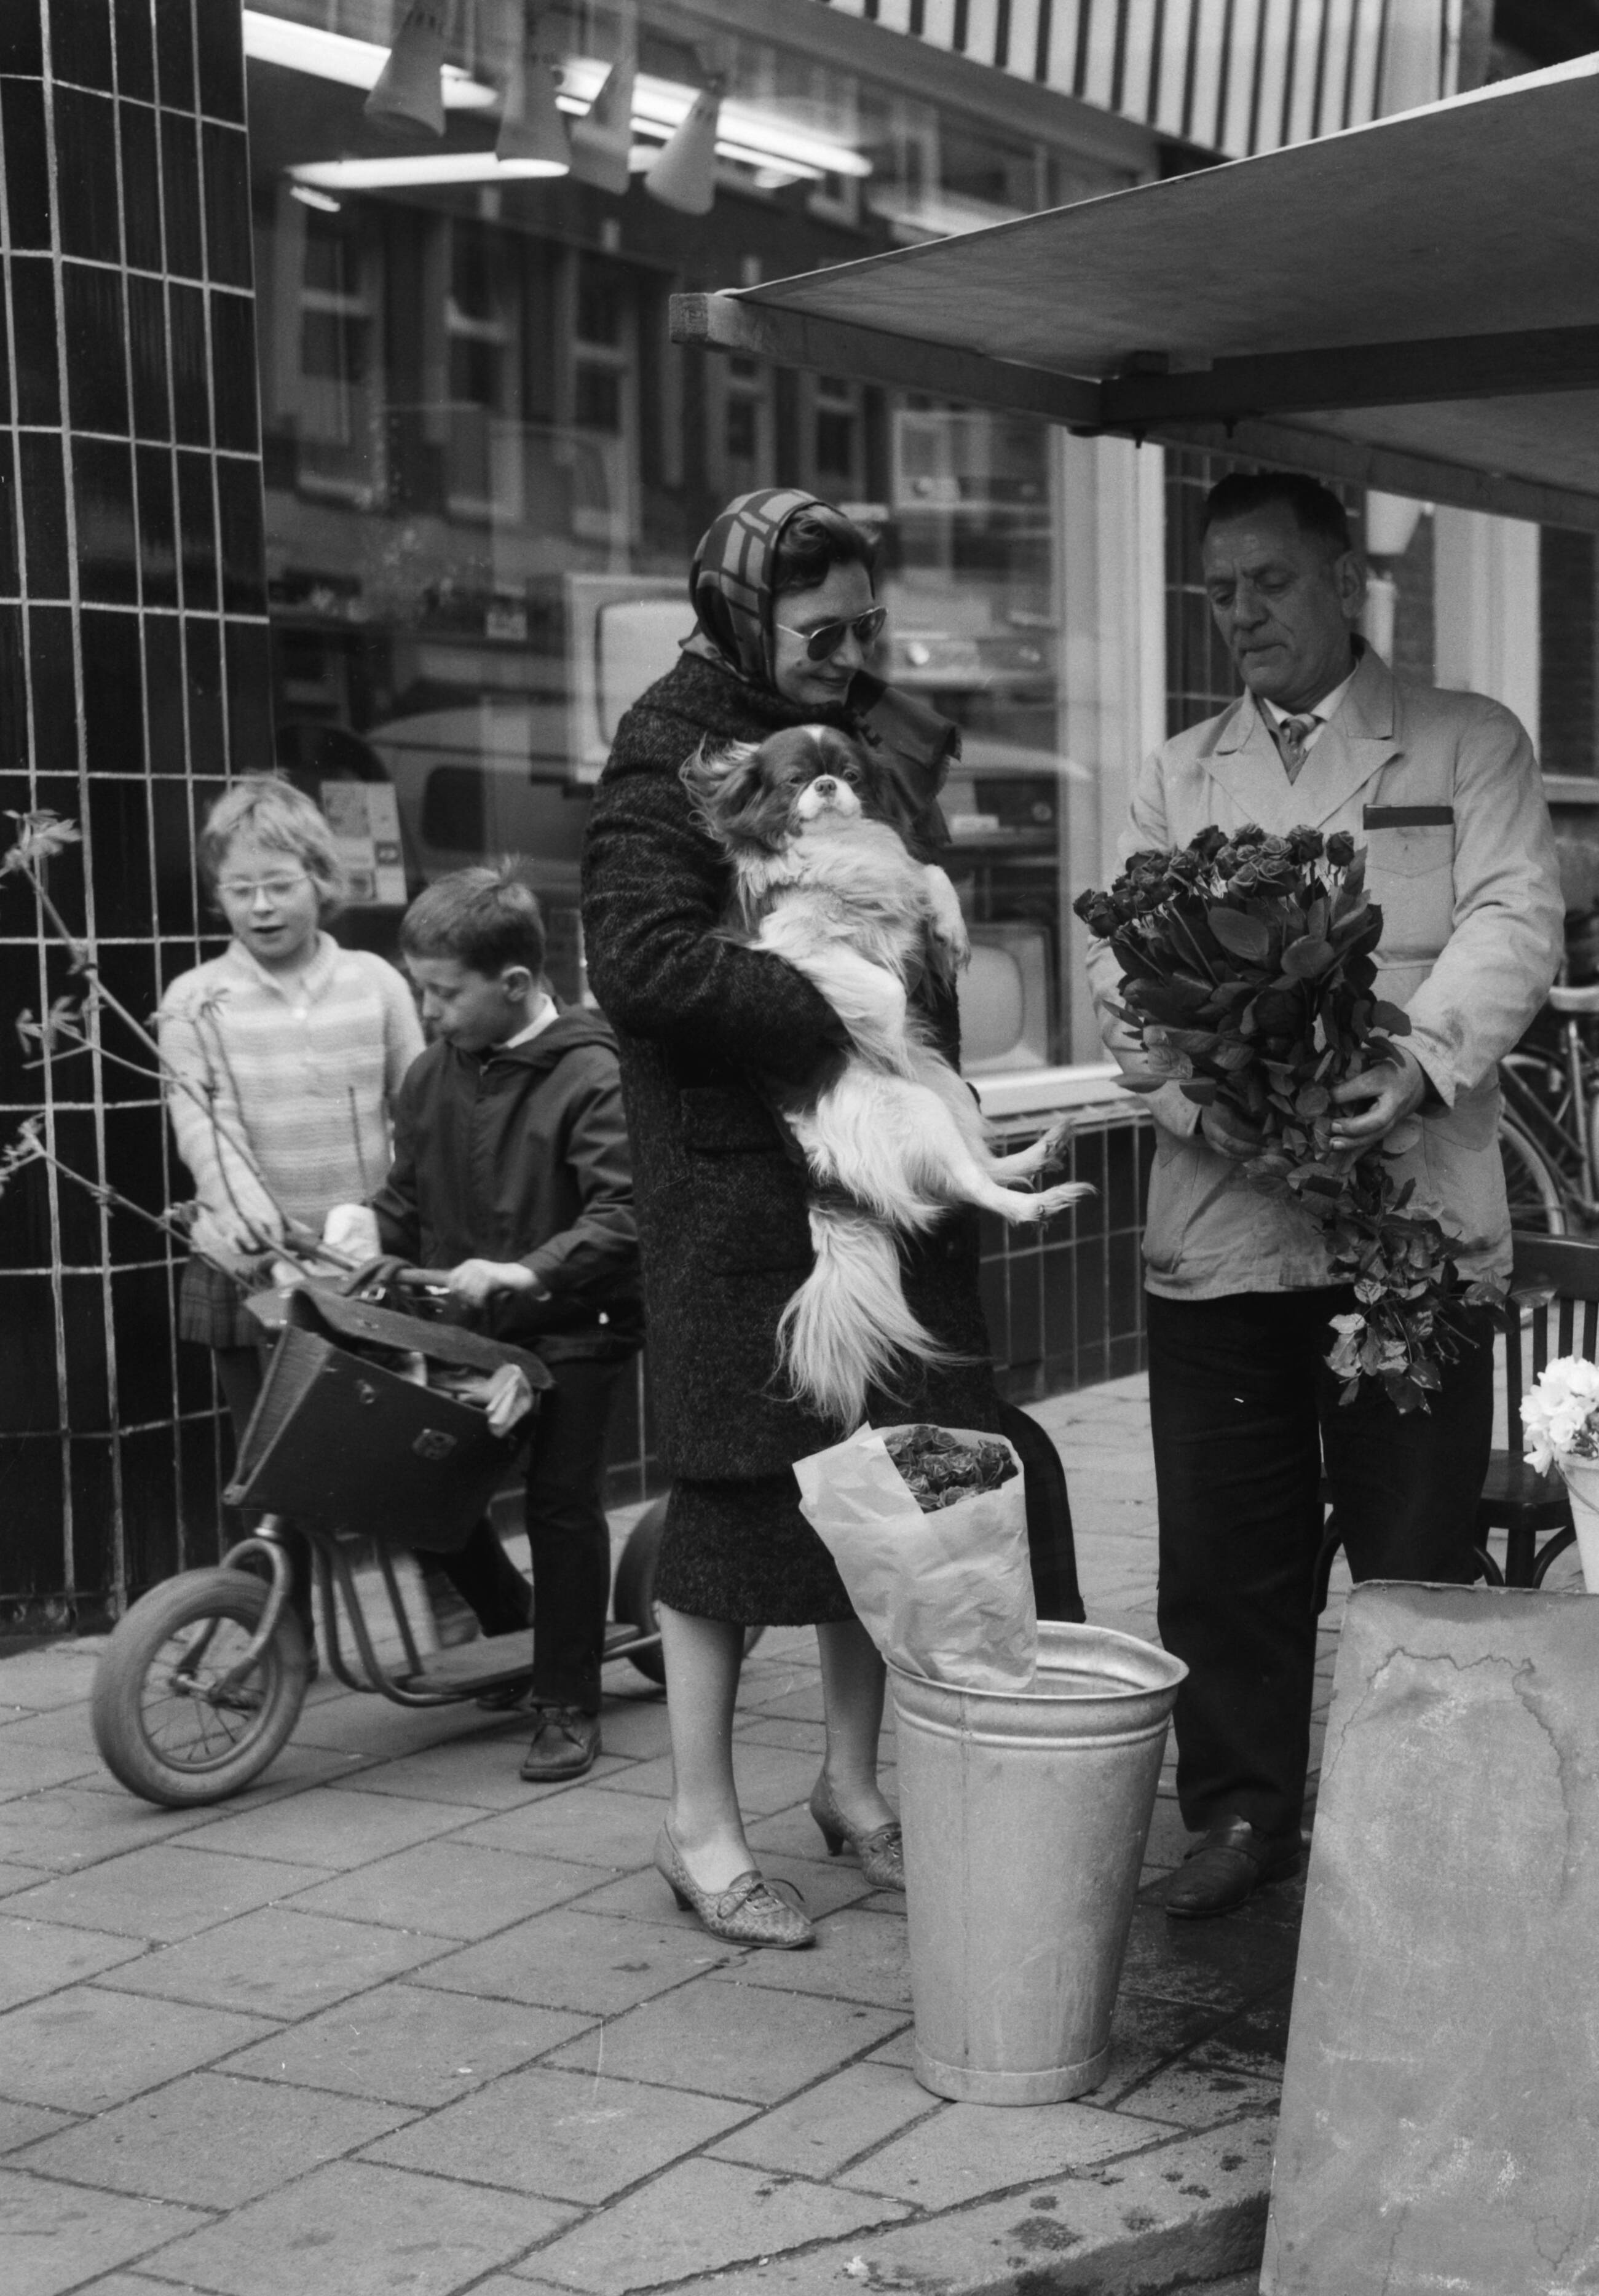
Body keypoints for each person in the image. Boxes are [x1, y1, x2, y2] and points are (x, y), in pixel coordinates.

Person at [583, 486, 1078, 1949]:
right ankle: (699, 1824)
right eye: (822, 628)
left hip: (886, 1174)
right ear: (742, 609)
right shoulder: (663, 754)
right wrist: (842, 1020)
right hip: (743, 1193)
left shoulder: (872, 737)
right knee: (735, 1511)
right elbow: (646, 966)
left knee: (893, 1487)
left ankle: (852, 1786)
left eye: (867, 625)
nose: (850, 651)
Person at [1091, 470, 1563, 1918]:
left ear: (1343, 579)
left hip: (1410, 1222)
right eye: (1217, 592)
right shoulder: (1176, 775)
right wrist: (1213, 1104)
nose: (1239, 616)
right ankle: (1239, 1818)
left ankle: (1405, 1817)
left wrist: (1416, 1062)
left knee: (1414, 1554)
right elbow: (1125, 991)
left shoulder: (1467, 741)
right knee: (1226, 1556)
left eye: (1267, 585)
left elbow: (1513, 915)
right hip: (1224, 1231)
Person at [321, 869, 642, 1786]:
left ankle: (567, 1699)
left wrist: (527, 1269)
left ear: (513, 984)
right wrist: (365, 1229)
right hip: (467, 1330)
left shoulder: (593, 1071)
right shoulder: (432, 1076)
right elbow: (407, 1196)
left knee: (558, 1501)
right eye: (420, 988)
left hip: (578, 1324)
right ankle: (528, 1628)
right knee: (417, 1482)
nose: (426, 1011)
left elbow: (623, 1214)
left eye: (442, 992)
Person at [157, 775, 424, 1438]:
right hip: (248, 1260)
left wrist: (384, 1220)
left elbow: (418, 1112)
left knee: (376, 1447)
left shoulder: (377, 982)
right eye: (239, 891)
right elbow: (200, 1122)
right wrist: (251, 1214)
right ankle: (282, 1551)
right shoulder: (193, 998)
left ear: (321, 879)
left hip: (361, 1261)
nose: (261, 908)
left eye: (280, 885)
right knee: (273, 1463)